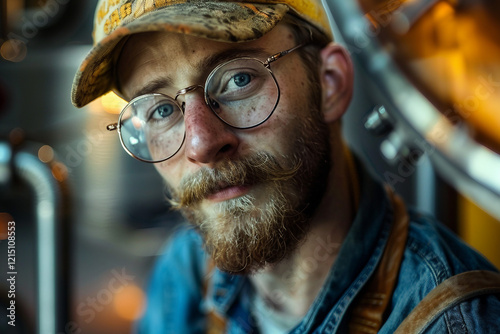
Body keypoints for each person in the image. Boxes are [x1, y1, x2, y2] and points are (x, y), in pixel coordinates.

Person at [72, 0, 500, 332]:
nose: (201, 144)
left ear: (330, 84)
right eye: (161, 110)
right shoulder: (185, 271)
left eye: (239, 79)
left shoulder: (456, 320)